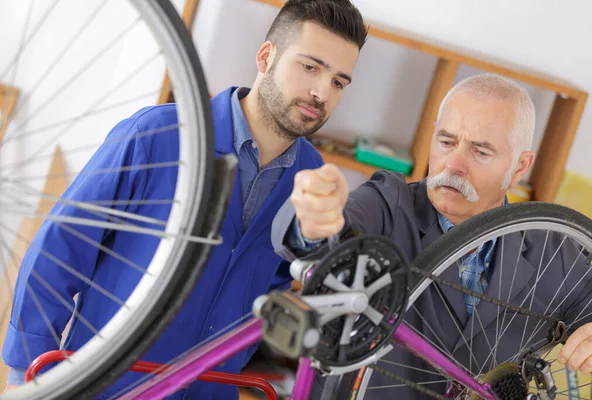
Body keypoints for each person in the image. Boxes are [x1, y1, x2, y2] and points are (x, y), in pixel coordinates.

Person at [2, 1, 368, 398]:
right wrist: (28, 372)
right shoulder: (156, 135)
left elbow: (279, 286)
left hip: (212, 390)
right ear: (266, 57)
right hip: (107, 385)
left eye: (338, 82)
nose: (320, 92)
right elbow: (58, 253)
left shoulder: (313, 181)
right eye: (310, 67)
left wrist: (314, 241)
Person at [272, 73, 592, 398]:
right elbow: (312, 240)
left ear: (519, 168)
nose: (453, 165)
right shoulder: (387, 203)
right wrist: (312, 220)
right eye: (446, 142)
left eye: (480, 151)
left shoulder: (554, 250)